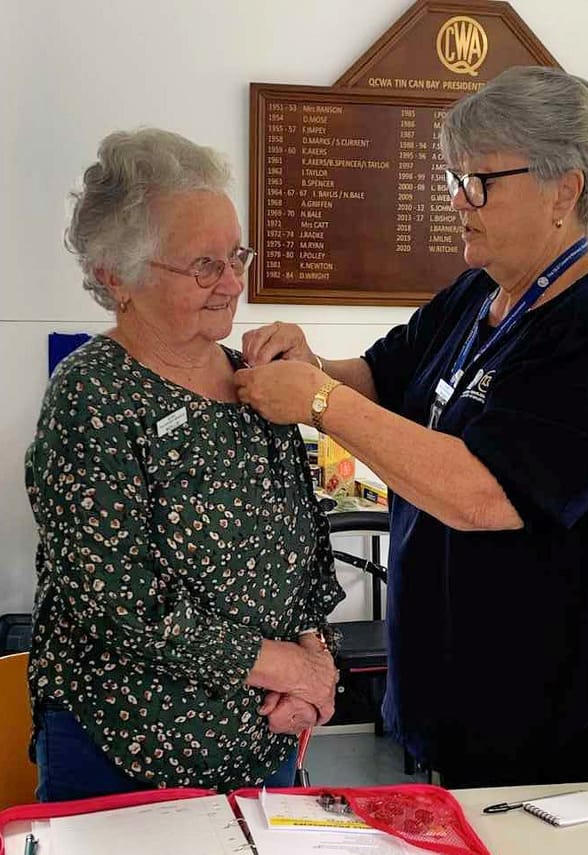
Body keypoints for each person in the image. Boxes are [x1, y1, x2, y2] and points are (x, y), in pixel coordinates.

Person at [234, 65, 588, 789]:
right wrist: (311, 363)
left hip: (574, 697)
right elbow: (383, 378)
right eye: (455, 179)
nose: (458, 200)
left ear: (564, 190)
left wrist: (319, 401)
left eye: (480, 182)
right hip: (471, 684)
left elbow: (487, 494)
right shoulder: (482, 288)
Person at [25, 128, 343, 801]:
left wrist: (316, 665)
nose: (232, 283)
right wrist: (286, 666)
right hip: (124, 746)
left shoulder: (258, 381)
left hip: (263, 736)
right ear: (117, 277)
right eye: (203, 265)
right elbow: (119, 601)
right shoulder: (92, 393)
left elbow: (304, 545)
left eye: (236, 256)